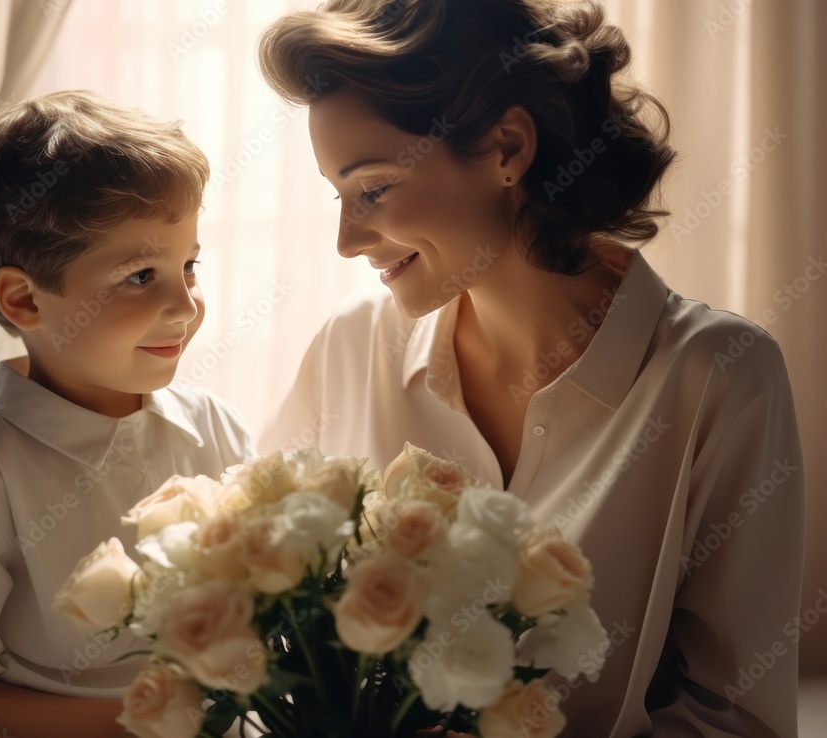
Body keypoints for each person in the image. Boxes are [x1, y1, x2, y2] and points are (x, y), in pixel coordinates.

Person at [256, 1, 804, 736]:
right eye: (339, 197)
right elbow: (273, 621)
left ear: (508, 147)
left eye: (375, 190)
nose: (347, 240)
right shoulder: (350, 349)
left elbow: (736, 719)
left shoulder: (719, 376)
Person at [0, 91, 252, 737]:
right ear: (24, 299)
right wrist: (143, 720)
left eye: (188, 266)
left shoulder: (216, 428)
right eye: (141, 276)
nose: (185, 305)